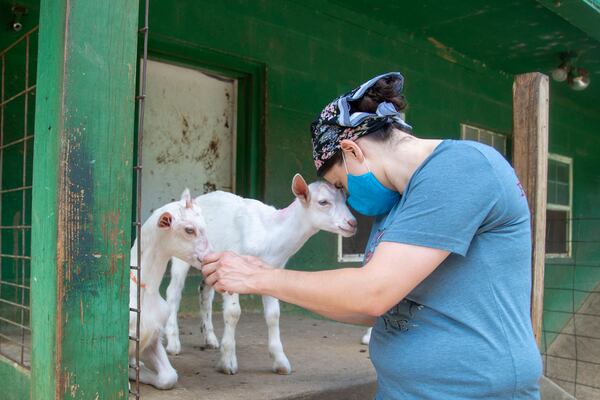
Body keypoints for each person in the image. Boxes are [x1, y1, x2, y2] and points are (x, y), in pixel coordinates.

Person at [202, 72, 543, 399]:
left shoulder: (464, 166)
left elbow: (373, 294)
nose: (346, 197)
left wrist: (262, 277)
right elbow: (370, 309)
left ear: (352, 151)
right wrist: (269, 280)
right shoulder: (395, 205)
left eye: (339, 184)